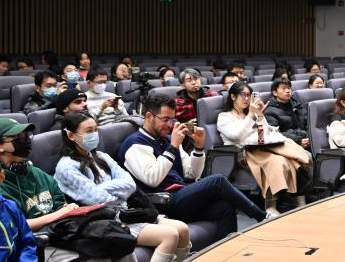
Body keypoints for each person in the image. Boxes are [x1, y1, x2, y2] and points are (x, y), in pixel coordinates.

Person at [0, 119, 145, 262]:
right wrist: (58, 215)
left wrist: (66, 212)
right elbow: (17, 226)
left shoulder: (36, 173)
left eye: (26, 135)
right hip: (39, 243)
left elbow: (60, 203)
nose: (25, 140)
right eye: (17, 137)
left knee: (119, 249)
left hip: (64, 233)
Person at [54, 113, 190, 262]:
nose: (94, 134)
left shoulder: (101, 156)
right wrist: (115, 189)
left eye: (95, 130)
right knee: (170, 236)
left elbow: (130, 184)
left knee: (182, 229)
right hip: (104, 221)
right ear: (70, 135)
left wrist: (103, 189)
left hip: (127, 212)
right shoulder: (66, 167)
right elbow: (99, 199)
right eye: (89, 131)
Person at [118, 94, 271, 234]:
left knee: (224, 207)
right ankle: (261, 216)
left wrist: (198, 147)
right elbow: (152, 179)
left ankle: (227, 251)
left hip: (180, 196)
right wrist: (173, 147)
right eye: (165, 119)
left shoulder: (168, 139)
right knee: (217, 180)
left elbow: (192, 173)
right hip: (161, 202)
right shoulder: (134, 144)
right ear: (149, 116)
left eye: (172, 120)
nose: (170, 125)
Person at [217, 82, 311, 214]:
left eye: (249, 95)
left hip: (262, 147)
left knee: (294, 159)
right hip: (242, 152)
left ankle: (300, 201)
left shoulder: (251, 113)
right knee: (277, 162)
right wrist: (251, 115)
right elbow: (236, 136)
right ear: (233, 97)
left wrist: (260, 114)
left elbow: (266, 130)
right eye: (243, 95)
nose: (246, 99)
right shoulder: (224, 117)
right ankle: (270, 206)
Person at [265, 79, 309, 150]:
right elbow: (275, 133)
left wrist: (309, 137)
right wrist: (298, 140)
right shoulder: (269, 111)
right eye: (283, 88)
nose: (288, 91)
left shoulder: (296, 105)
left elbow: (308, 123)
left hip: (306, 140)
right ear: (275, 93)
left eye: (289, 88)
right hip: (287, 145)